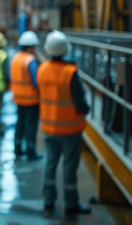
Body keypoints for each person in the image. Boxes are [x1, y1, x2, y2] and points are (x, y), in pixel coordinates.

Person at [38, 30, 91, 216]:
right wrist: (87, 109)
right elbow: (80, 103)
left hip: (49, 128)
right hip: (69, 130)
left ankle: (48, 203)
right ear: (65, 49)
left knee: (50, 165)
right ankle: (71, 204)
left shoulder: (42, 69)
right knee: (69, 167)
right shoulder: (70, 73)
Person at [10, 30, 41, 160]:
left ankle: (17, 149)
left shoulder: (16, 58)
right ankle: (30, 151)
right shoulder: (30, 61)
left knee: (20, 123)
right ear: (31, 46)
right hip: (31, 99)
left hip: (18, 98)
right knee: (31, 126)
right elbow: (36, 82)